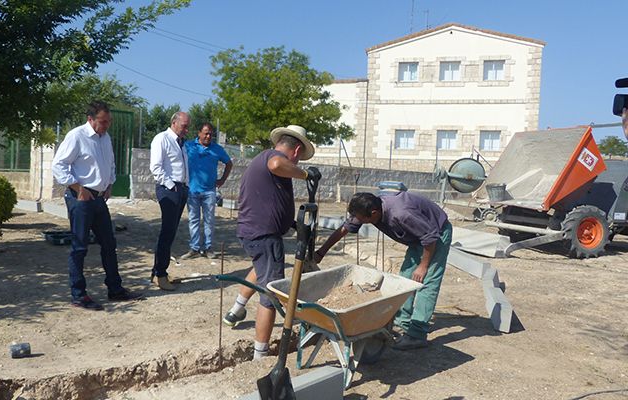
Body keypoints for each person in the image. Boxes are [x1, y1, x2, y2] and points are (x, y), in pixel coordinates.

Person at [222, 125, 320, 360]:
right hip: (263, 235)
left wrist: (290, 222)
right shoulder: (273, 159)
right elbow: (277, 165)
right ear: (296, 150)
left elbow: (270, 198)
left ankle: (236, 310)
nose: (296, 164)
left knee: (261, 270)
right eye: (298, 159)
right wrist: (306, 175)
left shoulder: (263, 159)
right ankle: (260, 354)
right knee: (271, 294)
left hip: (256, 232)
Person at [313, 191, 453, 350]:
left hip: (436, 234)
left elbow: (430, 238)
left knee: (426, 282)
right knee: (406, 279)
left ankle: (417, 335)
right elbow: (345, 229)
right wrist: (321, 252)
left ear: (374, 213)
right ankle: (403, 323)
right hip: (418, 236)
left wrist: (423, 266)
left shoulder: (401, 214)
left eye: (362, 220)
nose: (359, 222)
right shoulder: (367, 208)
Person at [51, 101, 143, 310]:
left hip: (99, 199)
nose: (106, 126)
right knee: (79, 247)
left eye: (108, 122)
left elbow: (110, 162)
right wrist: (78, 188)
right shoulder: (77, 136)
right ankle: (78, 294)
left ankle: (115, 289)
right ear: (90, 119)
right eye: (103, 122)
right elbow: (58, 165)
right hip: (81, 199)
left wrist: (109, 183)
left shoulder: (105, 137)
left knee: (109, 244)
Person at [179, 122, 233, 260]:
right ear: (199, 133)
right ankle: (194, 248)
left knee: (209, 221)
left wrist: (222, 180)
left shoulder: (217, 149)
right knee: (193, 220)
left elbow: (229, 163)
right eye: (206, 133)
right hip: (192, 190)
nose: (208, 136)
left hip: (209, 192)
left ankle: (208, 248)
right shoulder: (189, 146)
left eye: (210, 134)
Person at [149, 111, 190, 291]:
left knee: (171, 231)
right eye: (184, 126)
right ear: (174, 122)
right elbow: (156, 167)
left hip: (181, 189)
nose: (186, 130)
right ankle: (160, 274)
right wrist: (171, 186)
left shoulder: (181, 143)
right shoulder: (162, 139)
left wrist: (185, 185)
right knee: (167, 232)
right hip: (169, 190)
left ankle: (158, 271)